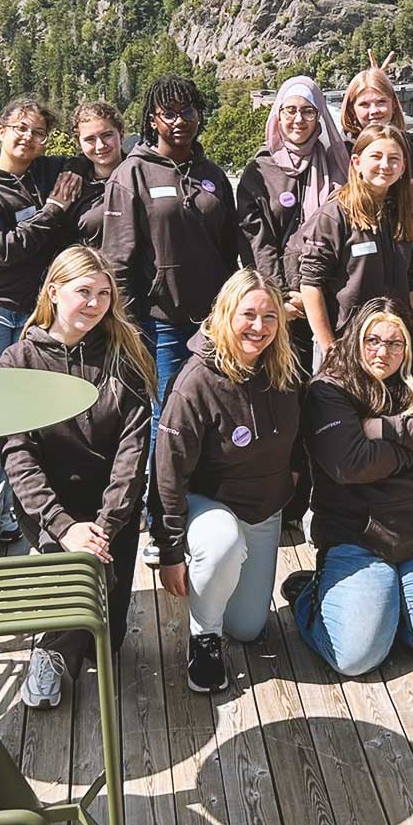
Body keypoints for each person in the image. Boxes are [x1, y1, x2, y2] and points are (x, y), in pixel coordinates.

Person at [0, 246, 155, 707]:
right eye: (83, 291)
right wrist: (64, 526)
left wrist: (104, 527)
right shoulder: (19, 360)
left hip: (111, 508)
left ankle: (67, 612)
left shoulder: (126, 355)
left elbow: (132, 454)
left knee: (106, 641)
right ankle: (49, 654)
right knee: (88, 575)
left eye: (104, 294)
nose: (95, 303)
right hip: (50, 505)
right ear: (53, 292)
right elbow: (18, 455)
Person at [285, 299, 413, 677]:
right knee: (356, 658)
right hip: (358, 538)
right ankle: (309, 595)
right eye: (372, 340)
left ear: (408, 346)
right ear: (356, 339)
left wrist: (389, 428)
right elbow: (352, 464)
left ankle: (393, 599)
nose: (382, 352)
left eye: (394, 343)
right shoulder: (329, 388)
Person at [101, 73, 238, 564]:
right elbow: (117, 261)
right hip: (160, 326)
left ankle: (208, 513)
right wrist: (130, 330)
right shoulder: (131, 175)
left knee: (214, 417)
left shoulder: (212, 175)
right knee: (166, 425)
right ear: (152, 119)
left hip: (214, 326)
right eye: (169, 113)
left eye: (188, 111)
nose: (180, 120)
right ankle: (162, 527)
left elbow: (229, 251)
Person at [154, 271, 303, 693]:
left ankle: (229, 598)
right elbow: (168, 473)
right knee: (221, 544)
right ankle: (203, 638)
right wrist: (170, 552)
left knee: (248, 628)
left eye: (270, 316)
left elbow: (301, 437)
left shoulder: (285, 368)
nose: (259, 327)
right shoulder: (195, 382)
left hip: (264, 509)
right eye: (248, 315)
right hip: (210, 505)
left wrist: (292, 478)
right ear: (225, 314)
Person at [0, 95, 84, 557]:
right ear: (1, 130)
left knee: (31, 417)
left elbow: (88, 161)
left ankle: (20, 515)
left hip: (32, 312)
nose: (28, 138)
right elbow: (1, 249)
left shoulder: (43, 173)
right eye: (20, 129)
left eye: (38, 132)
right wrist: (54, 212)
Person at [237, 75, 350, 371]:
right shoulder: (260, 172)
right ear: (278, 114)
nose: (298, 120)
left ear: (319, 116)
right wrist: (280, 297)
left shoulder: (338, 162)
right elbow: (257, 242)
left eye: (308, 111)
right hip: (285, 308)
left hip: (334, 299)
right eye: (290, 110)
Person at [292, 122, 413, 356]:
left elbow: (412, 285)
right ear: (356, 162)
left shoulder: (404, 217)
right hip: (346, 345)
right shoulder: (334, 216)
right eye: (376, 156)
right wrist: (329, 347)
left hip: (394, 346)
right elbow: (311, 284)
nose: (385, 165)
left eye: (394, 159)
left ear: (403, 167)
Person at [340, 65, 413, 175]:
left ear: (394, 104)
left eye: (381, 102)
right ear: (352, 109)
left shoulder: (412, 150)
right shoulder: (341, 153)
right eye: (364, 104)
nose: (374, 111)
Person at [70, 100, 128, 246]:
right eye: (90, 139)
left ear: (121, 134)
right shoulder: (73, 185)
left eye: (107, 135)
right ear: (79, 143)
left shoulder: (139, 175)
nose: (100, 146)